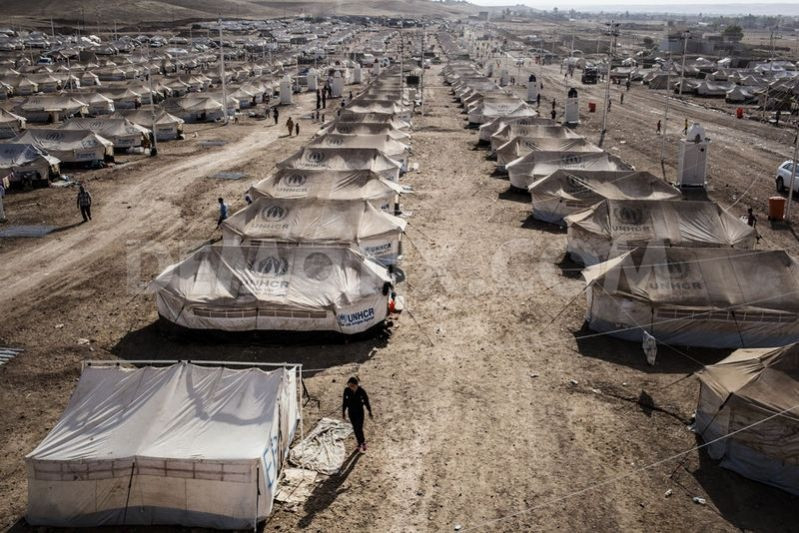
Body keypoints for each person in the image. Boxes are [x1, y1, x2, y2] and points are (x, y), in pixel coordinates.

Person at [342, 377, 372, 453]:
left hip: (360, 412)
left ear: (356, 385)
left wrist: (369, 411)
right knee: (355, 428)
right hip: (351, 412)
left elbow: (366, 401)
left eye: (352, 386)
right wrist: (343, 412)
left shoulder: (361, 391)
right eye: (349, 385)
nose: (351, 387)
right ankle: (359, 443)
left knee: (359, 428)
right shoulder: (346, 390)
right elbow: (344, 402)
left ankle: (363, 442)